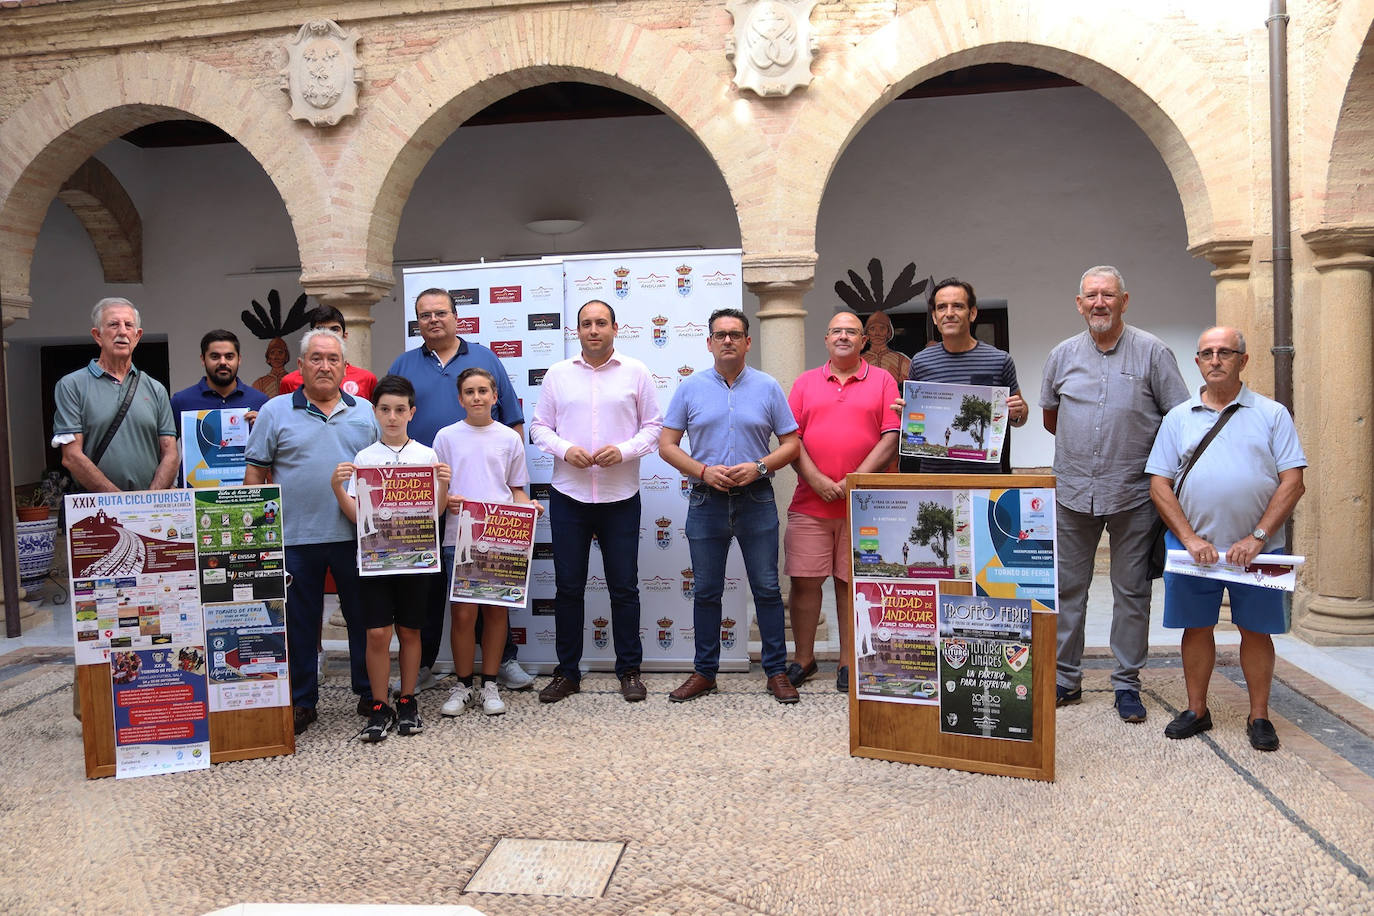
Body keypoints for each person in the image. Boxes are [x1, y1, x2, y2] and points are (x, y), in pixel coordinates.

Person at [1040, 265, 1189, 722]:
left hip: (1134, 495)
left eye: (1108, 295)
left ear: (1125, 300)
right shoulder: (1062, 355)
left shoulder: (1153, 352)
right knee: (1066, 591)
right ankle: (1066, 679)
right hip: (1071, 492)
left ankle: (1127, 684)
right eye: (1091, 296)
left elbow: (1179, 421)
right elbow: (1051, 418)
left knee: (1131, 593)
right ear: (1079, 303)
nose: (1099, 303)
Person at [1147, 327, 1306, 751]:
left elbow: (1293, 481)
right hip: (1191, 551)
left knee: (1256, 631)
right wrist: (1188, 537)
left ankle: (1259, 716)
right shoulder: (1177, 417)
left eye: (1225, 352)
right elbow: (1159, 485)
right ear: (1197, 362)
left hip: (1258, 550)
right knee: (1196, 628)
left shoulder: (1273, 414)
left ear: (1243, 360)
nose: (1215, 359)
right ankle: (1197, 710)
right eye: (1207, 353)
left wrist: (1257, 538)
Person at [387, 288, 534, 692]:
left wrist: (515, 500)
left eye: (440, 313)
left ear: (456, 317)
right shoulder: (404, 363)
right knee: (428, 587)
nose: (433, 320)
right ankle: (425, 664)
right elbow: (388, 415)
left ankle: (502, 662)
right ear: (417, 322)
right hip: (420, 500)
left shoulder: (485, 359)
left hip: (490, 511)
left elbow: (514, 425)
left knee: (493, 592)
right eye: (424, 315)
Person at [659, 307, 801, 703]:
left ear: (747, 342)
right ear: (709, 342)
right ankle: (705, 672)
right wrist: (702, 471)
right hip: (706, 498)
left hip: (756, 498)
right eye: (720, 335)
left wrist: (759, 467)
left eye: (735, 334)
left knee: (768, 589)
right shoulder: (689, 388)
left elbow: (792, 444)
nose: (727, 340)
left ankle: (775, 672)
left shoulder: (768, 386)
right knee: (705, 591)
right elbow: (666, 445)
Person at [245, 328, 380, 735]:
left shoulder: (366, 412)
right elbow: (255, 474)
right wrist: (259, 536)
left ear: (344, 366)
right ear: (301, 366)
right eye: (316, 358)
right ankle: (303, 701)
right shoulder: (274, 411)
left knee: (362, 617)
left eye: (333, 359)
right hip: (295, 538)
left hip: (354, 536)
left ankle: (367, 691)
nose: (325, 366)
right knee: (300, 623)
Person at [529, 300, 664, 704]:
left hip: (619, 496)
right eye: (586, 324)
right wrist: (565, 448)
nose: (593, 330)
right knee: (568, 588)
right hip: (569, 495)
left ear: (615, 328)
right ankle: (567, 672)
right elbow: (538, 428)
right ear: (577, 331)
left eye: (600, 323)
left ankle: (630, 671)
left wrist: (623, 451)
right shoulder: (557, 375)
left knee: (624, 588)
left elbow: (654, 428)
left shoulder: (637, 372)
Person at [785, 310, 898, 694]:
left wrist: (855, 480)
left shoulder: (883, 380)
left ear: (864, 340)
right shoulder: (804, 383)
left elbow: (892, 436)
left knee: (855, 586)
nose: (844, 337)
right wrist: (817, 479)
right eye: (837, 331)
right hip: (811, 502)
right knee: (804, 582)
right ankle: (804, 658)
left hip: (865, 504)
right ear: (826, 339)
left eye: (852, 332)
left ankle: (851, 662)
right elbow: (791, 440)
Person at [332, 374, 449, 742]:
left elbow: (437, 511)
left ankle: (409, 697)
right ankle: (380, 704)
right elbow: (356, 515)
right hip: (376, 560)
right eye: (385, 409)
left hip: (416, 559)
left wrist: (443, 482)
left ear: (411, 412)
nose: (393, 417)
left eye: (400, 410)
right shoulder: (365, 458)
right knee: (378, 633)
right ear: (375, 413)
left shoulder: (426, 455)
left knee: (411, 630)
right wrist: (338, 487)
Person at [433, 367, 537, 718]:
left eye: (483, 391)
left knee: (496, 612)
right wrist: (446, 500)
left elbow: (517, 488)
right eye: (469, 392)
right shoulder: (446, 437)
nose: (477, 397)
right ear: (460, 398)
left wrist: (529, 508)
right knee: (462, 615)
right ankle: (463, 685)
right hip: (458, 536)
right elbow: (437, 490)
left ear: (495, 397)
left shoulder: (509, 438)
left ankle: (490, 682)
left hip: (502, 536)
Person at [896, 278, 1027, 474]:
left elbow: (1020, 416)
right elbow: (918, 421)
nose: (949, 313)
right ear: (934, 316)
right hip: (934, 479)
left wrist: (1018, 412)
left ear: (972, 313)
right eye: (941, 307)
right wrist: (906, 415)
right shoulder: (920, 362)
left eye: (957, 306)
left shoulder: (999, 360)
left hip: (984, 479)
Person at [53, 297, 178, 492]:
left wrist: (149, 501)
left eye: (129, 325)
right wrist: (119, 503)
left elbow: (170, 452)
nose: (122, 331)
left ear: (137, 336)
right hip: (97, 509)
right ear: (97, 335)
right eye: (113, 324)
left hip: (149, 510)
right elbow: (71, 456)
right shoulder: (72, 385)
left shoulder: (155, 389)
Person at [279, 305, 377, 401]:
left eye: (334, 329)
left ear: (345, 336)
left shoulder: (367, 379)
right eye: (321, 329)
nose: (327, 334)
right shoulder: (290, 381)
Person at [169, 329, 269, 421]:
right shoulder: (181, 401)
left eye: (229, 356)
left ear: (239, 360)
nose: (222, 362)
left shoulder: (261, 401)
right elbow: (166, 440)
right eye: (215, 356)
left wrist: (264, 428)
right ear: (203, 360)